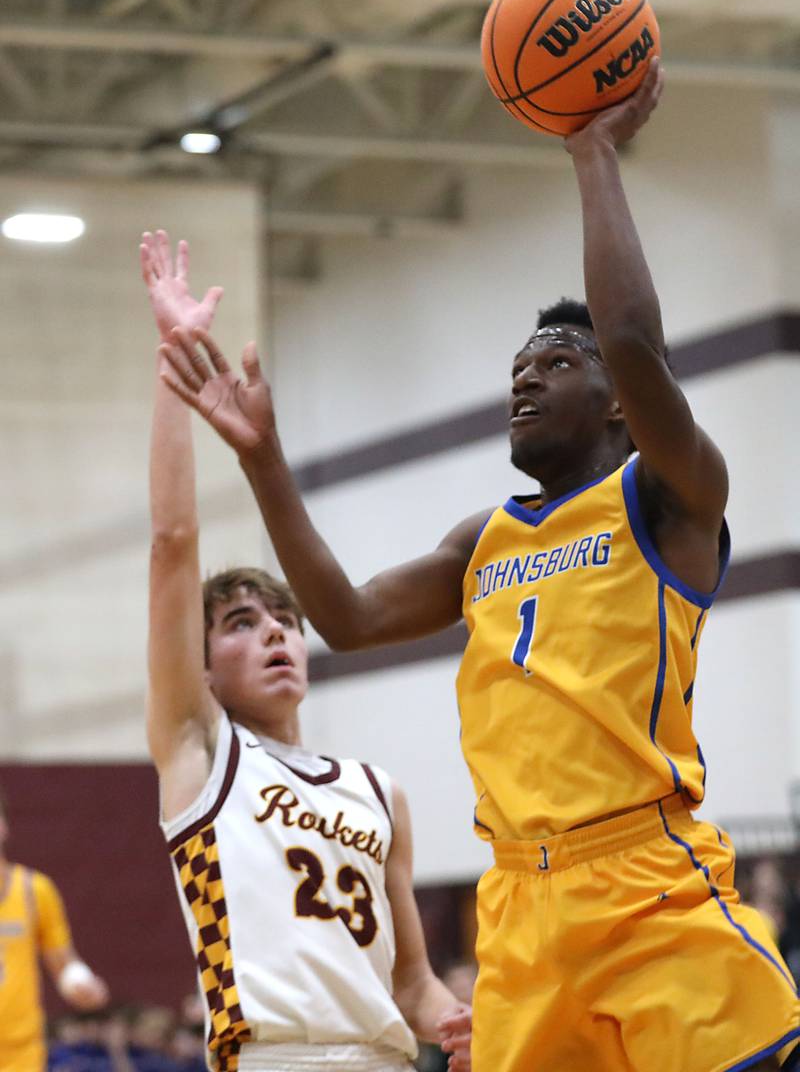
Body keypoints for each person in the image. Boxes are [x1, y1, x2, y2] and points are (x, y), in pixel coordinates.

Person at [156, 58, 799, 1071]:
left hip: (643, 877)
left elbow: (629, 335)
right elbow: (349, 616)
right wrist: (261, 458)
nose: (524, 380)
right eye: (515, 370)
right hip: (514, 907)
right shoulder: (480, 539)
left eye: (555, 364)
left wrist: (590, 147)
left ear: (620, 402)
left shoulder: (667, 496)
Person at [141, 231, 471, 1072]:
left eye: (283, 618)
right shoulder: (199, 753)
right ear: (203, 667)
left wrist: (458, 1020)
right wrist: (176, 370)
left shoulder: (378, 793)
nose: (276, 632)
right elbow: (174, 543)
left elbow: (410, 986)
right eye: (241, 623)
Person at [0, 787, 108, 1071]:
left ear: (4, 826)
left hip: (21, 1052)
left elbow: (63, 963)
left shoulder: (34, 891)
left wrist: (82, 985)